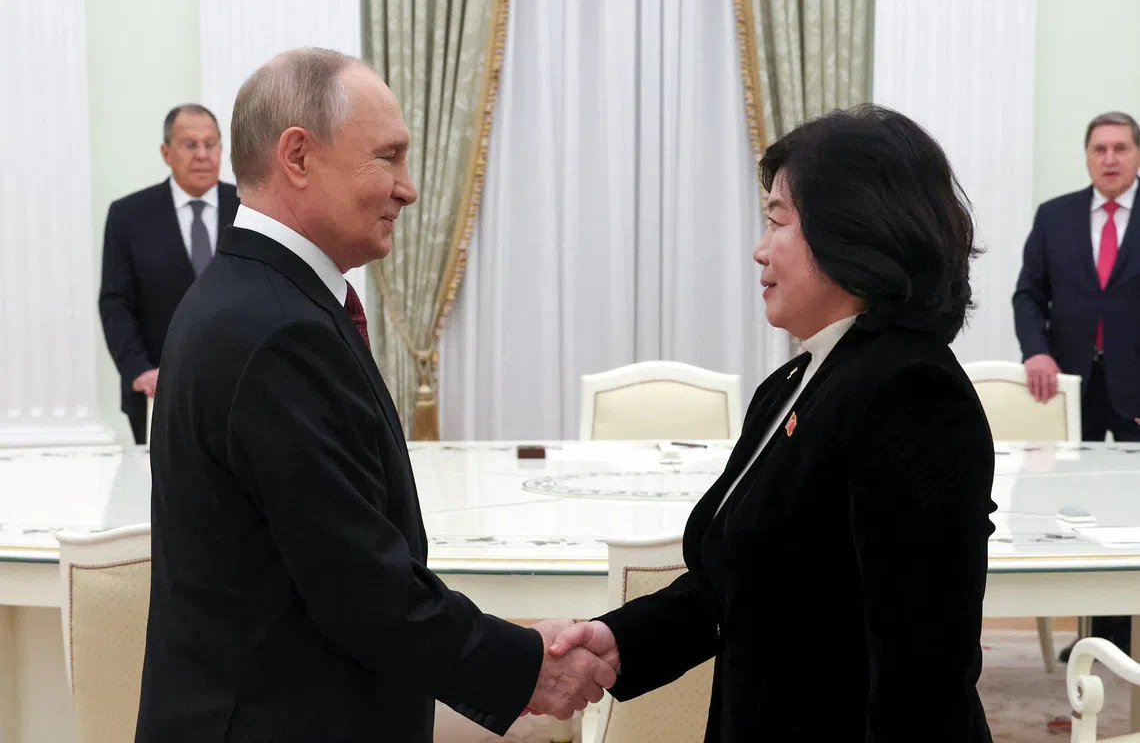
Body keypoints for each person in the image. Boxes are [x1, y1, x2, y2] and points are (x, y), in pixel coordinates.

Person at [135, 48, 614, 742]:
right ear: (297, 155)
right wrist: (524, 665)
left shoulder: (252, 299)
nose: (409, 187)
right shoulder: (276, 330)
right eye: (387, 157)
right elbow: (360, 587)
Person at [550, 105, 997, 741]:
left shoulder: (910, 392)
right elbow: (744, 583)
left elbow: (922, 670)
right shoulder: (797, 382)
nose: (761, 250)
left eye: (776, 221)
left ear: (852, 230)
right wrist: (621, 641)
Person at [1013, 111, 1140, 659]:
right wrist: (1036, 351)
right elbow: (1026, 296)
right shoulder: (1055, 216)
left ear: (1136, 154)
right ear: (1087, 156)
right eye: (1099, 149)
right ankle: (1099, 635)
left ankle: (1126, 630)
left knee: (1130, 509)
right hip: (1069, 388)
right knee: (1076, 506)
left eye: (1120, 148)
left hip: (1136, 387)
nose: (1109, 159)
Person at [98, 104, 239, 444]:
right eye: (190, 145)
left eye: (211, 144)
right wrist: (138, 370)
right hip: (158, 393)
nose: (203, 155)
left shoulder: (248, 208)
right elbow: (116, 303)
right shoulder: (128, 215)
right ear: (166, 152)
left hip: (240, 389)